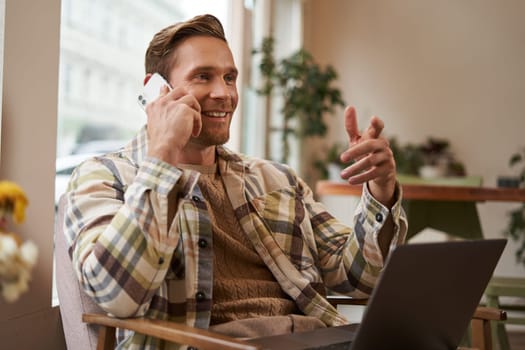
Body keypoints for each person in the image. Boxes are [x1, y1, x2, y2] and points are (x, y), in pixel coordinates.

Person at [62, 14, 407, 349]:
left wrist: (381, 189)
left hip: (314, 339)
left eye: (229, 77)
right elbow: (116, 295)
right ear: (156, 91)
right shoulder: (104, 177)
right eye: (203, 77)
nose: (224, 93)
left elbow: (363, 276)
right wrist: (163, 152)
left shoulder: (276, 179)